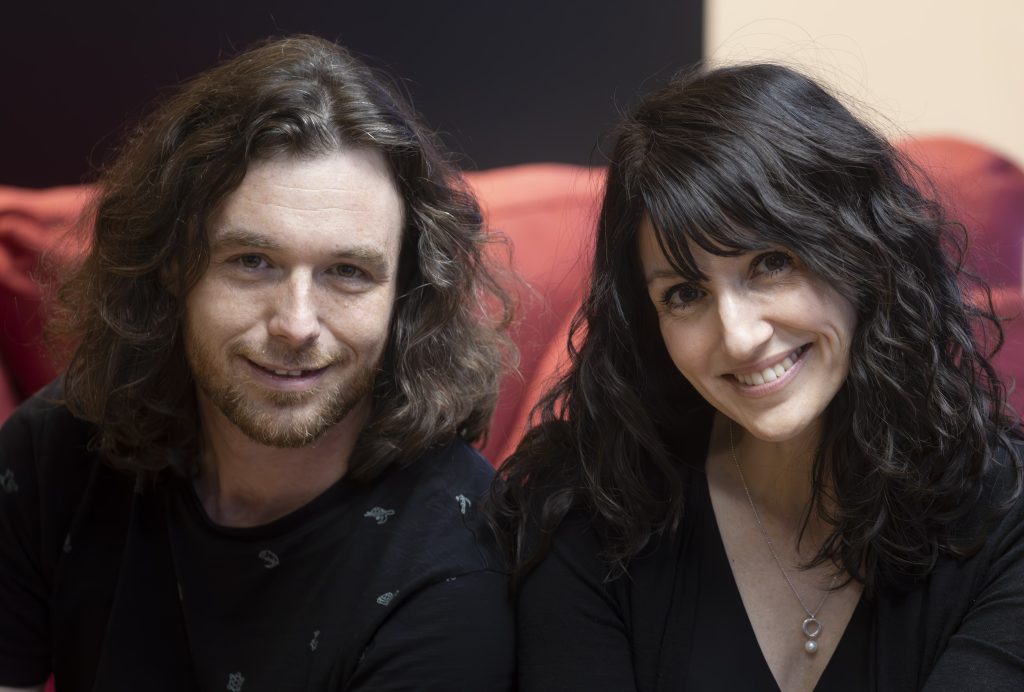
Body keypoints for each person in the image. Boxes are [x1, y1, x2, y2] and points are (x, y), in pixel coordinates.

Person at [0, 35, 515, 691]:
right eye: (253, 262)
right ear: (172, 267)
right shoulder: (56, 448)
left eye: (348, 272)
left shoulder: (455, 564)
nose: (296, 324)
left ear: (405, 297)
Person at [492, 63, 1024, 691]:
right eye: (685, 294)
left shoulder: (1006, 519)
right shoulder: (587, 509)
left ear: (865, 251)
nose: (740, 336)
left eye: (772, 263)